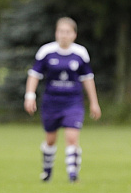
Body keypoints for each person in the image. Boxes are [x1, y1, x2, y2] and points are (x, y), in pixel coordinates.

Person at [24, 17, 101, 182]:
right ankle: (47, 171)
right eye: (60, 32)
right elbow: (34, 75)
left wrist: (94, 102)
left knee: (72, 137)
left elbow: (87, 79)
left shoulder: (80, 53)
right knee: (50, 140)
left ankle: (73, 175)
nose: (63, 35)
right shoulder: (46, 51)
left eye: (67, 32)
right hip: (51, 102)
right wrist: (30, 95)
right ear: (56, 33)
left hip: (73, 102)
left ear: (74, 34)